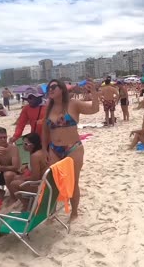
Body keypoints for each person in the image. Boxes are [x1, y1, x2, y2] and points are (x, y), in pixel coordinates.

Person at [42, 79, 99, 221]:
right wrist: (44, 150)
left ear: (62, 89)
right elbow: (45, 131)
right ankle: (52, 211)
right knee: (53, 182)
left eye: (54, 86)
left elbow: (94, 109)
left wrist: (94, 93)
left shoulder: (73, 104)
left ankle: (74, 213)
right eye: (49, 87)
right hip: (54, 149)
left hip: (73, 148)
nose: (50, 89)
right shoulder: (49, 107)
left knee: (73, 182)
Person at [10, 133, 48, 211]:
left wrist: (24, 179)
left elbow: (35, 178)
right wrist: (27, 166)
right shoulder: (42, 152)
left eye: (25, 143)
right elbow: (40, 166)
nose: (23, 145)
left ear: (32, 145)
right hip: (48, 184)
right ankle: (30, 201)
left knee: (13, 184)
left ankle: (26, 205)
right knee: (16, 177)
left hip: (41, 187)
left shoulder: (34, 156)